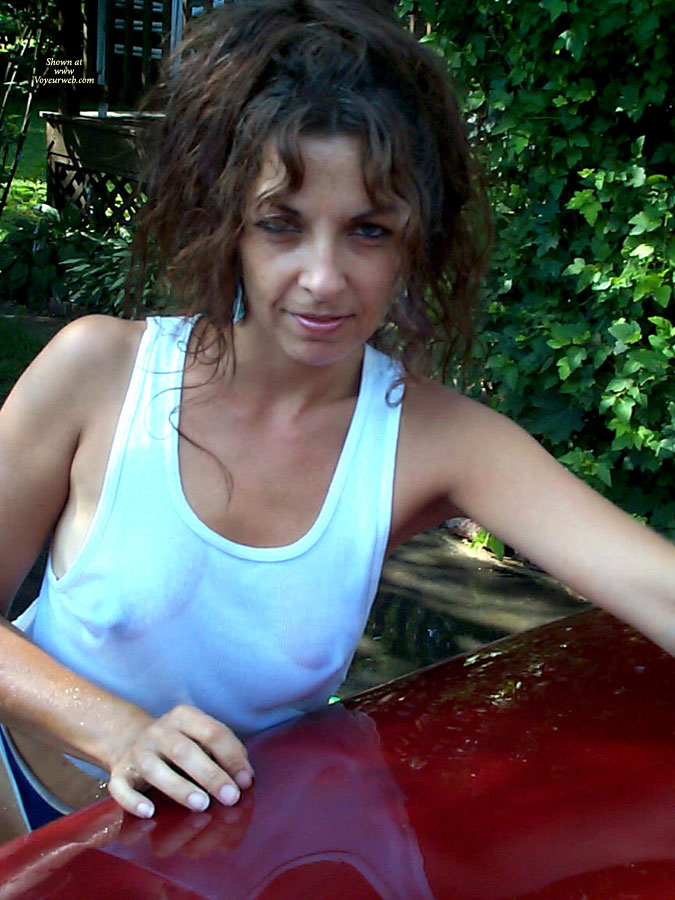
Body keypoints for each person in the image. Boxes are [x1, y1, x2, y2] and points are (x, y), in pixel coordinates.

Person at [0, 0, 673, 837]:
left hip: (219, 855)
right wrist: (117, 732)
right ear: (227, 223)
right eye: (281, 224)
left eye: (367, 230)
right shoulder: (98, 371)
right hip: (19, 802)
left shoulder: (436, 440)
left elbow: (655, 586)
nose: (323, 278)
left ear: (415, 240)